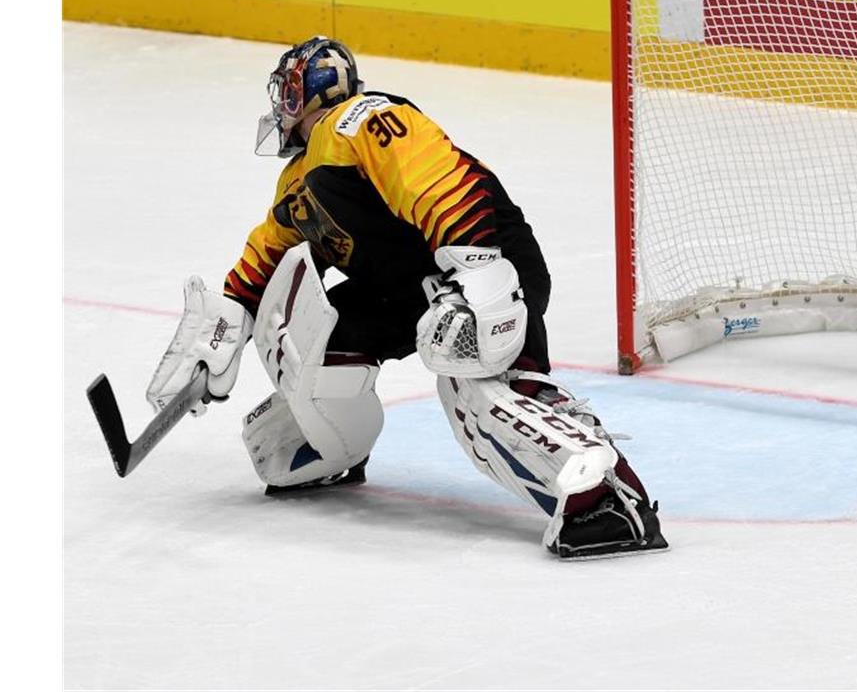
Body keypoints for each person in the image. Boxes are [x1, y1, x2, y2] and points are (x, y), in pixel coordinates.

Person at [144, 36, 668, 559]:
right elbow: (265, 257)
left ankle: (607, 501)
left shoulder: (358, 121)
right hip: (406, 290)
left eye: (286, 90)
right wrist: (221, 329)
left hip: (486, 258)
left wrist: (475, 267)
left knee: (475, 377)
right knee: (318, 347)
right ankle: (333, 453)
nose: (280, 104)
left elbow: (431, 178)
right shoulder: (299, 180)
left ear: (305, 91)